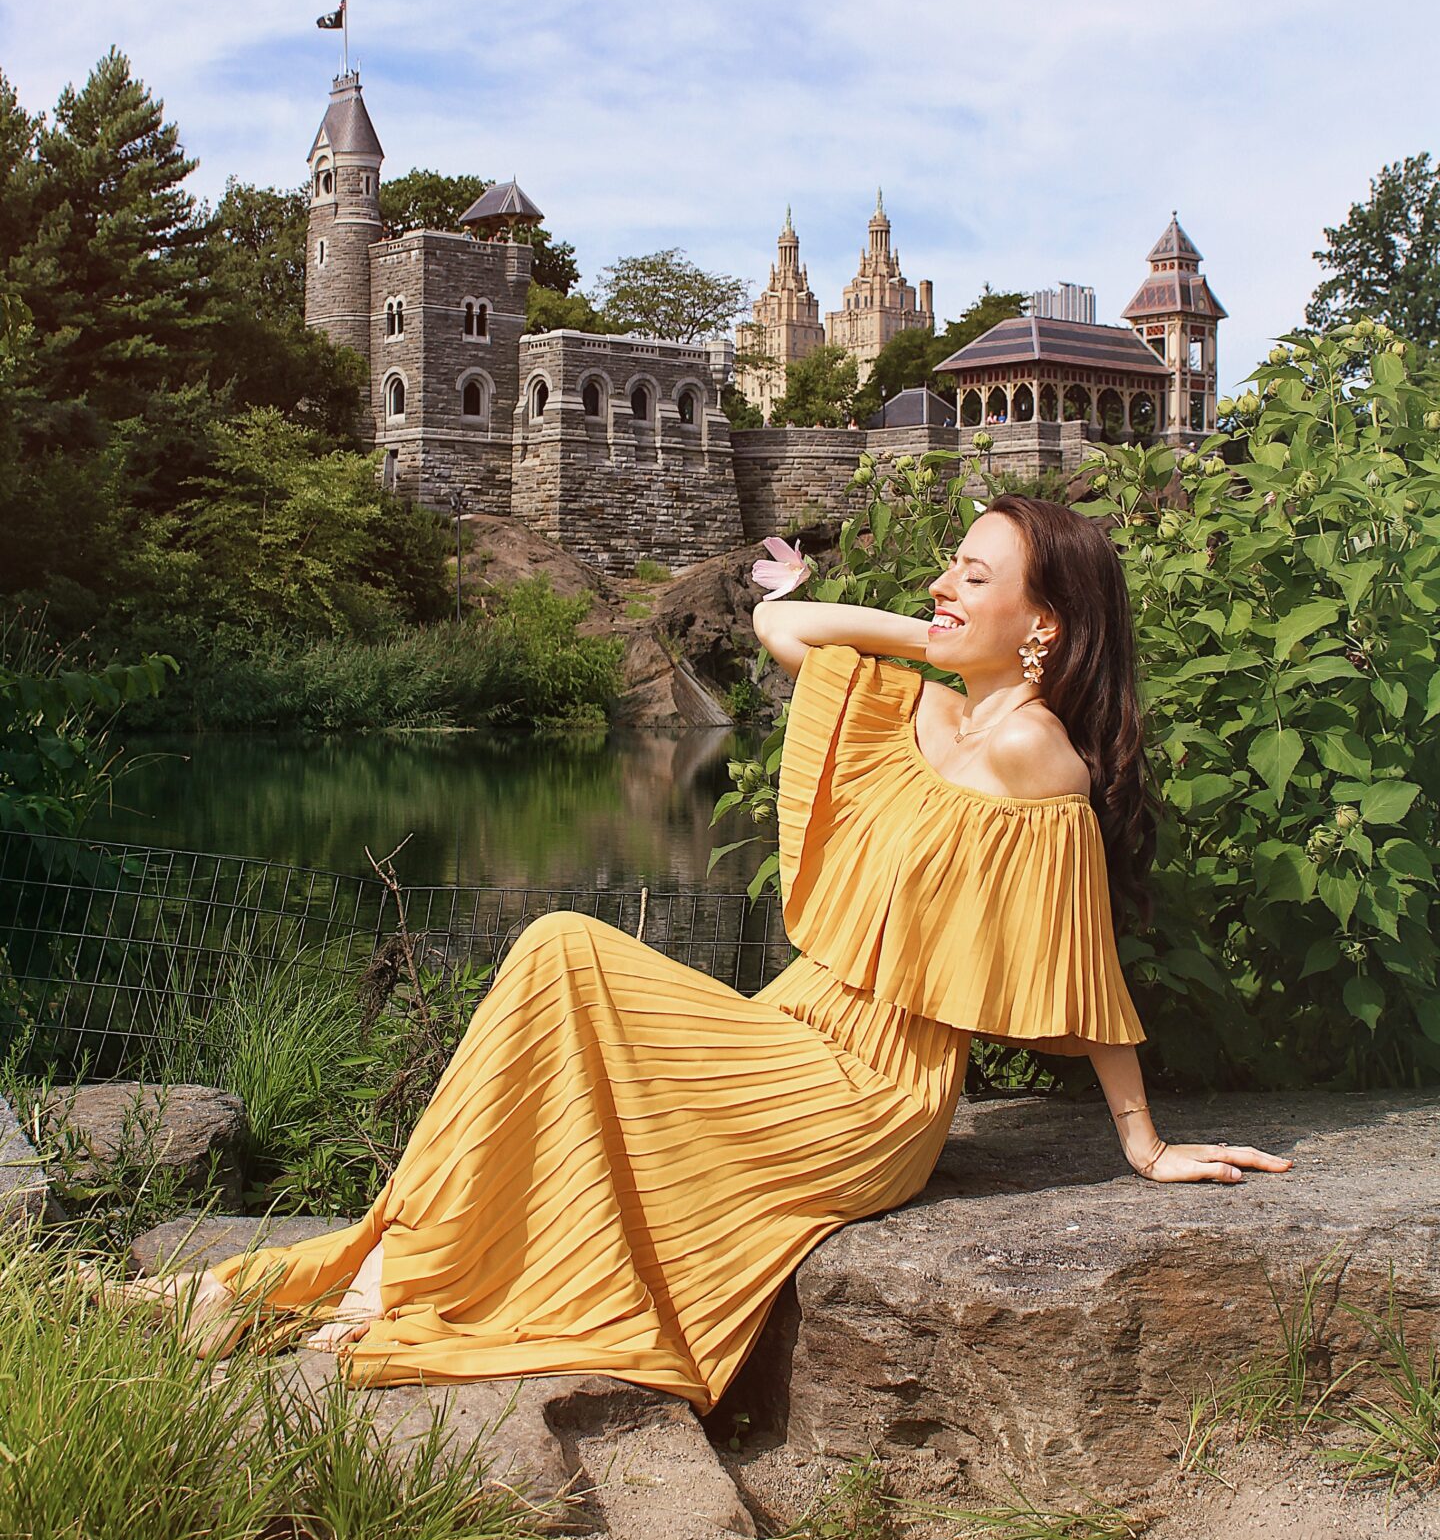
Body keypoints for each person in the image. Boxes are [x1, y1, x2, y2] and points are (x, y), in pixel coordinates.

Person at [120, 494, 1292, 1389]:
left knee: (565, 952)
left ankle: (349, 1288)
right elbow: (784, 623)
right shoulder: (923, 700)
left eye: (970, 574)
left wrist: (1142, 1145)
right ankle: (344, 1282)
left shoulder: (1038, 756)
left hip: (874, 1090)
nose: (941, 583)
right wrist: (930, 638)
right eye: (948, 562)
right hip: (793, 1020)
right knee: (555, 980)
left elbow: (1078, 967)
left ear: (1044, 623)